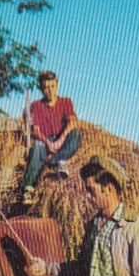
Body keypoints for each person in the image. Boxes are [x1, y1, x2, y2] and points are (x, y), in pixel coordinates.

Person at [21, 71, 82, 204]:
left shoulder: (65, 102)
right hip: (45, 141)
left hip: (61, 140)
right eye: (46, 87)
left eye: (52, 86)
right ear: (42, 89)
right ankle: (28, 186)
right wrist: (47, 143)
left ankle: (56, 160)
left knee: (76, 135)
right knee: (37, 145)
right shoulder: (36, 105)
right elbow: (35, 130)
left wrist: (60, 141)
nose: (50, 91)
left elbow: (72, 121)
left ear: (57, 85)